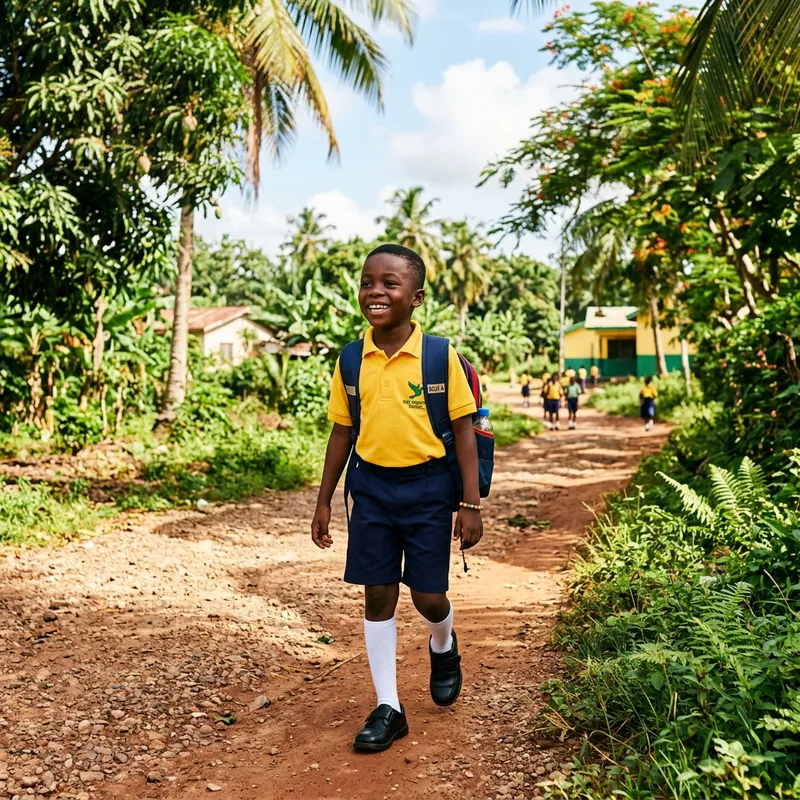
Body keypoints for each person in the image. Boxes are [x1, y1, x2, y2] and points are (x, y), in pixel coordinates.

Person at [311, 244, 481, 753]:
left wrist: (469, 504)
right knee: (378, 594)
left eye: (390, 283)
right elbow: (342, 432)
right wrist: (324, 500)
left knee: (427, 597)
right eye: (368, 282)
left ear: (417, 297)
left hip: (430, 490)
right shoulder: (350, 359)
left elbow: (465, 430)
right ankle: (389, 706)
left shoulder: (438, 355)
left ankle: (442, 641)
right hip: (373, 490)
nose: (375, 292)